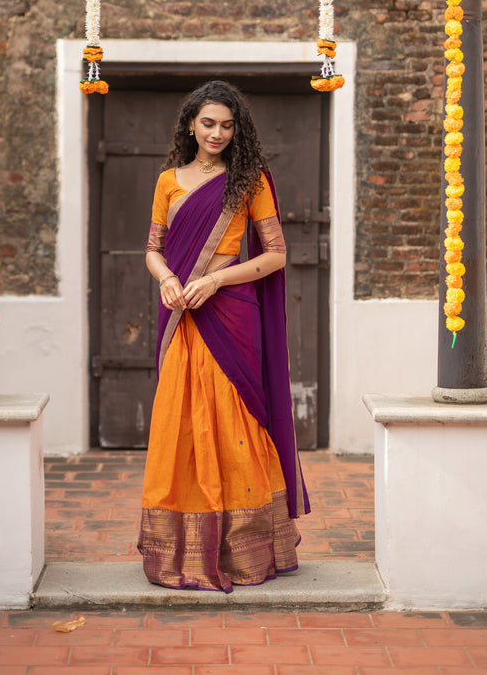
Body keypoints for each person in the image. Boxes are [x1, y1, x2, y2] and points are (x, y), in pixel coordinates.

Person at [138, 80, 310, 593]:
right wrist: (169, 279)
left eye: (227, 125)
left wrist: (213, 280)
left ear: (238, 131)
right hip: (181, 314)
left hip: (230, 311)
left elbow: (276, 255)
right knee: (180, 423)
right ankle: (186, 551)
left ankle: (244, 550)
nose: (217, 133)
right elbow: (152, 248)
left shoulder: (249, 179)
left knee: (235, 420)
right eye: (208, 123)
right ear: (191, 123)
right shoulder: (169, 180)